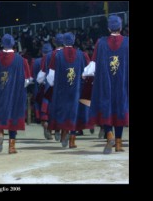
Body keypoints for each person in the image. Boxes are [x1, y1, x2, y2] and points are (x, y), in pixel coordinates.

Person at [83, 15, 128, 154]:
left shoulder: (101, 42)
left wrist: (85, 73)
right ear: (121, 27)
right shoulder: (127, 42)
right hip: (122, 84)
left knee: (106, 109)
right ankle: (119, 144)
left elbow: (94, 63)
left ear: (109, 28)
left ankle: (109, 136)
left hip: (105, 83)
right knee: (119, 110)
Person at [0, 34, 31, 154]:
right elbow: (27, 80)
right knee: (13, 117)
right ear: (13, 44)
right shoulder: (21, 60)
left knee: (0, 115)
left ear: (2, 44)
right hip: (14, 94)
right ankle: (12, 146)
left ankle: (0, 133)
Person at [46, 32, 91, 148]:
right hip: (77, 90)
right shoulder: (81, 55)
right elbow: (87, 72)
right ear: (73, 41)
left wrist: (54, 85)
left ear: (63, 42)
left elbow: (51, 77)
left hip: (61, 90)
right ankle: (72, 140)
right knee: (74, 113)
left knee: (62, 112)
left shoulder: (57, 56)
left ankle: (63, 133)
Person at [37, 34, 64, 141]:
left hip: (49, 86)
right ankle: (59, 131)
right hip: (64, 87)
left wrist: (40, 81)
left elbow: (42, 73)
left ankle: (48, 128)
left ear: (54, 42)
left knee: (48, 110)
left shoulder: (48, 56)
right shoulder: (68, 54)